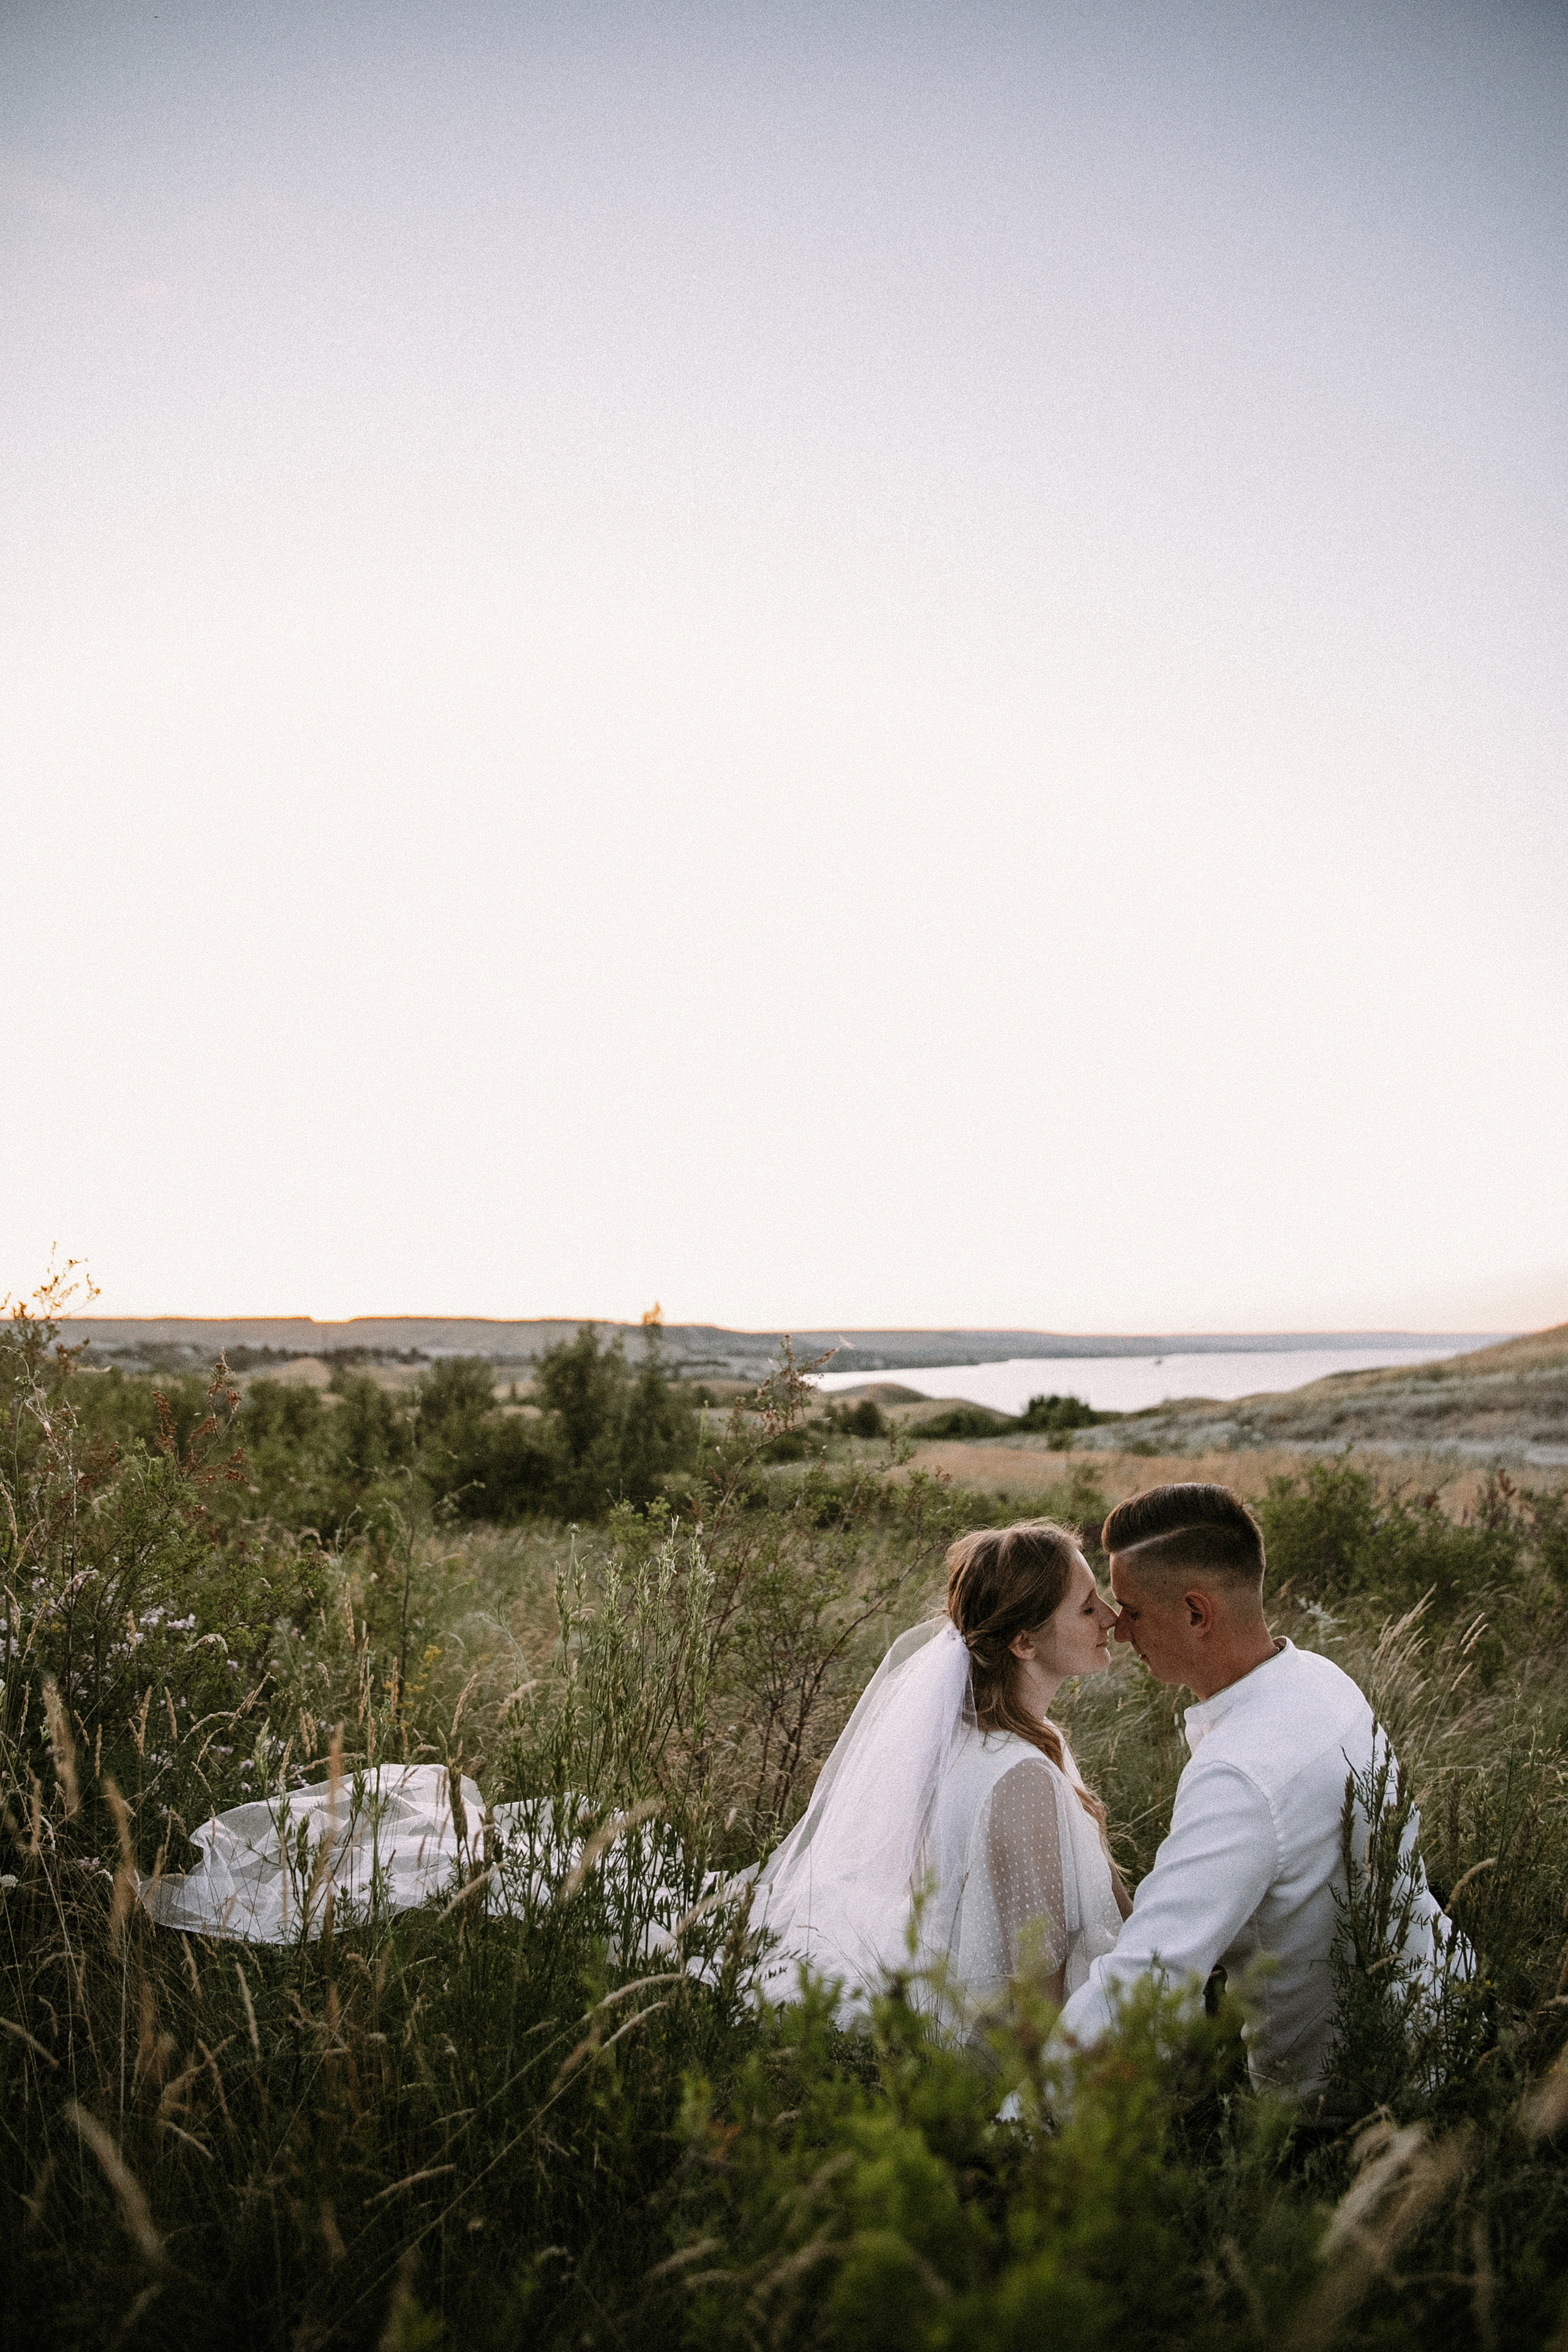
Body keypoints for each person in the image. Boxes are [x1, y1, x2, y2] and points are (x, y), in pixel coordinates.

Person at [1054, 1482, 1447, 2098]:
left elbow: (1149, 1973)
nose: (1122, 1632)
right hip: (1447, 2013)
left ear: (1194, 1612)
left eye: (1131, 1610)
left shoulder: (1239, 1777)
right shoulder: (1321, 1677)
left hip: (1343, 2104)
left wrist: (1017, 2123)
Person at [748, 1520, 1129, 2022]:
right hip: (1012, 2050)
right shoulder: (1019, 1777)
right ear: (1024, 1643)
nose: (1111, 1618)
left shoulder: (1006, 1739)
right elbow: (1038, 1989)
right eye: (1087, 1608)